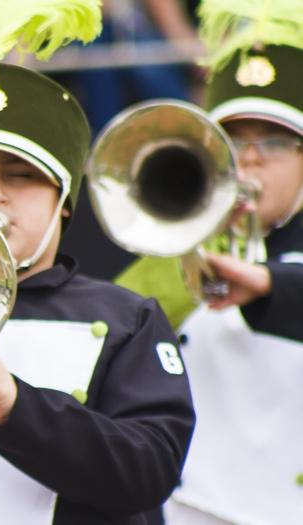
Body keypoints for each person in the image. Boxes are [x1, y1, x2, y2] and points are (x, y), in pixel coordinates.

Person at [0, 1, 195, 523]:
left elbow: (152, 468)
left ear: (63, 202)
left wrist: (16, 406)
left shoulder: (127, 316)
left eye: (20, 176)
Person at [128, 2, 302, 523]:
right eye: (231, 142)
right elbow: (116, 325)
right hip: (193, 508)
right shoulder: (173, 245)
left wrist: (268, 281)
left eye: (273, 143)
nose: (248, 160)